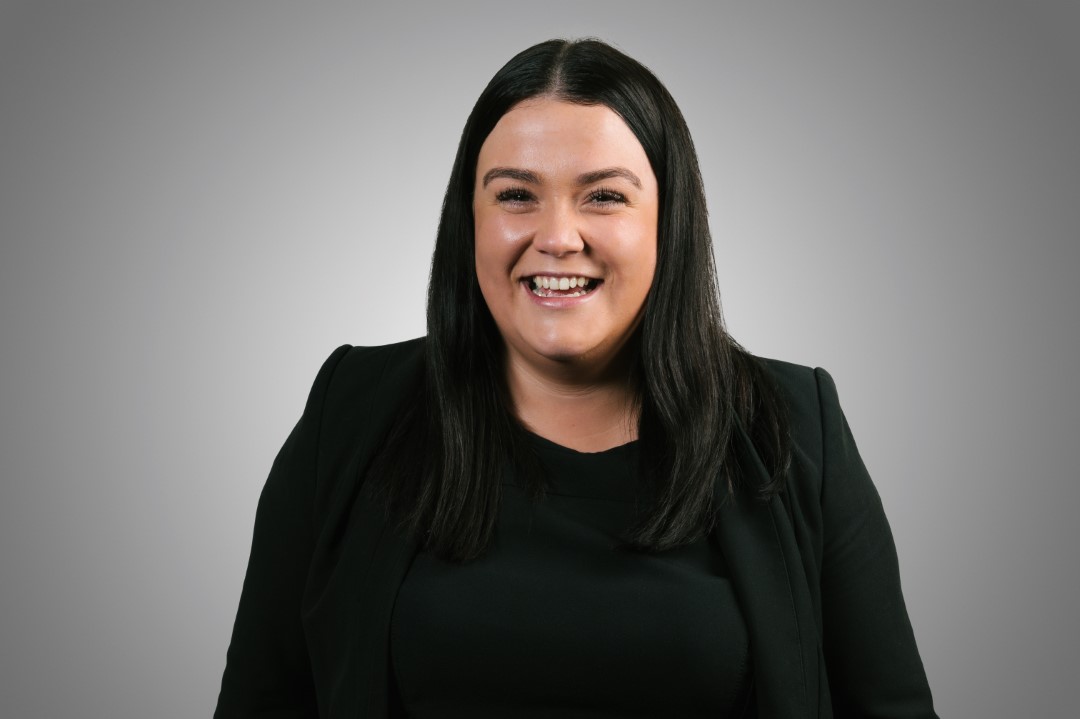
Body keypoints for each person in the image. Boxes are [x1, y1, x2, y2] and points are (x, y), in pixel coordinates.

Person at [213, 38, 938, 718]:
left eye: (604, 196)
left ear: (668, 223)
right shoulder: (350, 412)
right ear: (470, 219)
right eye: (515, 195)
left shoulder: (796, 428)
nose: (557, 236)